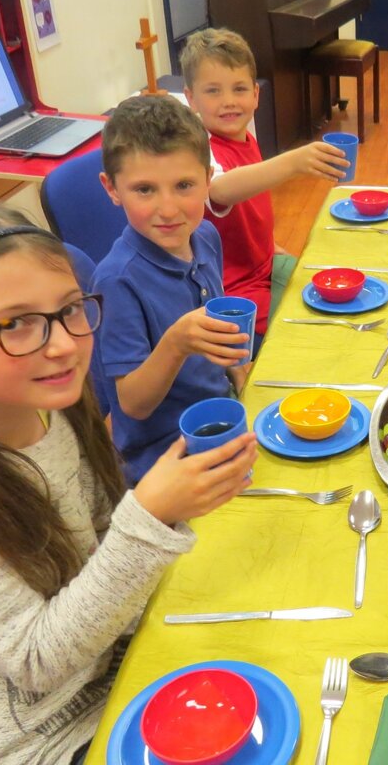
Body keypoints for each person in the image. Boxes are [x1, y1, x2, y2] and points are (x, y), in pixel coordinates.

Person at [0, 206, 258, 764]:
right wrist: (148, 519)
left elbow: (102, 539)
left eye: (70, 309)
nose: (63, 344)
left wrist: (172, 510)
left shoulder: (53, 406)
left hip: (116, 662)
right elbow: (36, 660)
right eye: (15, 324)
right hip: (36, 740)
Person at [95, 95, 251, 484]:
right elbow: (132, 404)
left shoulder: (205, 235)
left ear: (208, 179)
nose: (168, 209)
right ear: (112, 189)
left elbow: (217, 321)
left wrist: (237, 369)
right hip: (163, 457)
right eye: (145, 190)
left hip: (221, 417)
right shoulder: (117, 281)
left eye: (183, 185)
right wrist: (176, 343)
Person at [180, 28, 350, 344]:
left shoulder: (246, 137)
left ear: (256, 95)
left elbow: (249, 213)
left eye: (239, 89)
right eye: (213, 91)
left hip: (264, 269)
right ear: (191, 98)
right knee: (316, 334)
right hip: (234, 298)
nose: (229, 102)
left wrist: (272, 248)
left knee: (339, 286)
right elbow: (218, 190)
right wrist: (293, 163)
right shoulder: (198, 149)